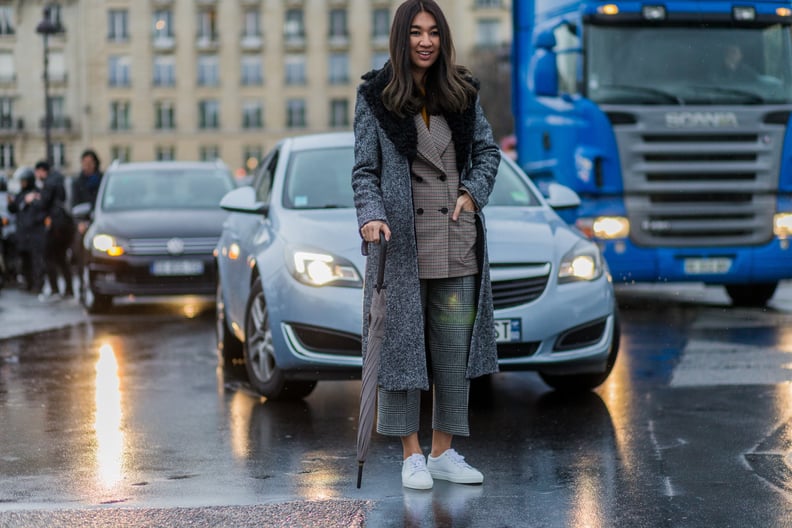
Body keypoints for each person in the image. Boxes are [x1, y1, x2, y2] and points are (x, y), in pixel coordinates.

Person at [351, 0, 500, 490]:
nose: (425, 41)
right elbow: (364, 172)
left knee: (453, 354)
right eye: (415, 32)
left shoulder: (461, 92)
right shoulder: (376, 96)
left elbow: (487, 153)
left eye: (433, 32)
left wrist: (472, 195)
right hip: (401, 247)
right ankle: (410, 454)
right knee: (401, 352)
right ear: (401, 37)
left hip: (456, 243)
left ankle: (443, 451)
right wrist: (372, 216)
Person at [35, 160, 75, 300]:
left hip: (55, 225)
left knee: (49, 257)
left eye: (37, 172)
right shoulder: (60, 179)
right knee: (61, 258)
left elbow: (43, 203)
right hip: (65, 225)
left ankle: (55, 289)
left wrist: (36, 199)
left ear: (42, 170)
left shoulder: (49, 182)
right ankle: (69, 289)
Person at [70, 149, 103, 300]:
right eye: (85, 163)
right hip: (83, 222)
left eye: (90, 163)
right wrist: (80, 222)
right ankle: (83, 286)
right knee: (80, 253)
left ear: (95, 163)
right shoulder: (77, 182)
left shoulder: (102, 180)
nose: (87, 166)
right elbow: (74, 205)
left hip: (100, 222)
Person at [7, 169, 46, 294]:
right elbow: (14, 208)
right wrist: (12, 203)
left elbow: (40, 210)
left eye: (24, 181)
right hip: (23, 234)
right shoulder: (21, 194)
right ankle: (28, 283)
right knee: (25, 260)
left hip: (34, 234)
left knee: (36, 261)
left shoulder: (36, 193)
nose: (22, 184)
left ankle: (37, 284)